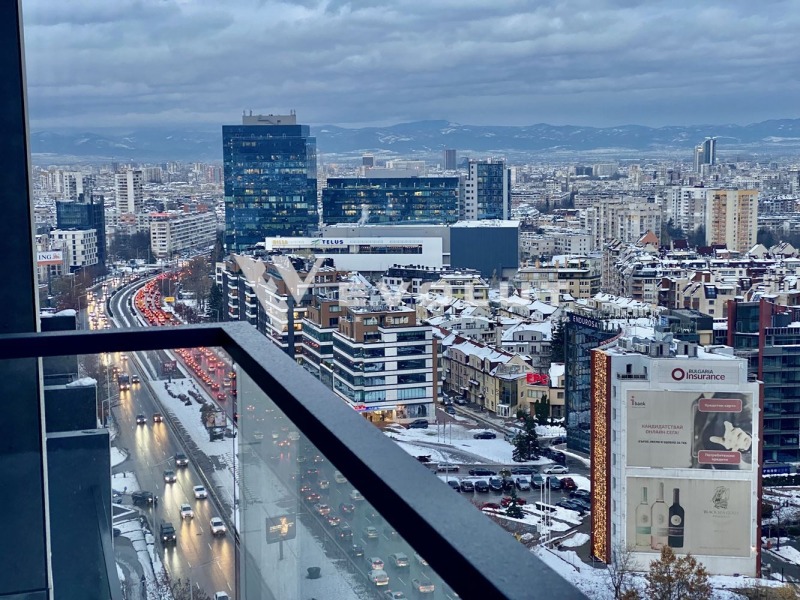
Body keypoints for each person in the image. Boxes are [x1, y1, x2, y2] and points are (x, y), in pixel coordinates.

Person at [691, 391, 753, 470]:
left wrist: (745, 443)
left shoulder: (737, 397)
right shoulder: (696, 403)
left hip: (728, 475)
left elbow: (749, 428)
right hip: (701, 475)